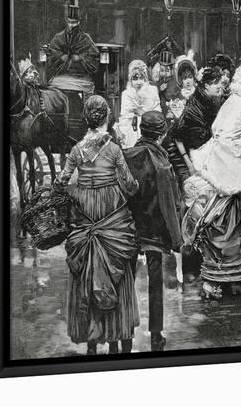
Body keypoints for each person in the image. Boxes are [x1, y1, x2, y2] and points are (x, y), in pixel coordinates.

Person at [56, 95, 140, 354]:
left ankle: (92, 342)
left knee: (88, 273)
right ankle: (117, 338)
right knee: (117, 274)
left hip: (85, 212)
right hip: (112, 212)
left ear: (86, 119)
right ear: (107, 118)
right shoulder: (114, 149)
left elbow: (61, 182)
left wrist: (80, 191)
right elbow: (130, 185)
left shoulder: (76, 150)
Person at [182, 65, 241, 300]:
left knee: (235, 226)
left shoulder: (234, 100)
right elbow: (236, 135)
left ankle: (236, 278)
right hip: (232, 167)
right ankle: (217, 281)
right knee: (229, 226)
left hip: (230, 168)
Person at [124, 111, 183, 351]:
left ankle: (125, 332)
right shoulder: (162, 163)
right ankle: (156, 334)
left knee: (126, 281)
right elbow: (170, 204)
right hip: (154, 232)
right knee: (155, 283)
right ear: (161, 135)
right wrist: (177, 239)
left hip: (129, 228)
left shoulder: (127, 155)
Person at [46, 5, 100, 98]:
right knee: (52, 87)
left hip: (81, 75)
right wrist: (61, 57)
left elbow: (94, 55)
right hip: (62, 73)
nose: (71, 25)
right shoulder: (59, 37)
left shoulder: (85, 38)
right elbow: (52, 53)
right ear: (66, 21)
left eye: (74, 23)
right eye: (69, 22)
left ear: (78, 22)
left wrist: (80, 58)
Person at [116, 60, 161, 148]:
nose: (139, 82)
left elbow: (158, 115)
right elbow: (124, 117)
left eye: (141, 78)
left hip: (149, 133)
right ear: (131, 80)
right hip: (130, 133)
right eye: (135, 78)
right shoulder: (126, 94)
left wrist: (144, 113)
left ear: (145, 79)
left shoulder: (152, 91)